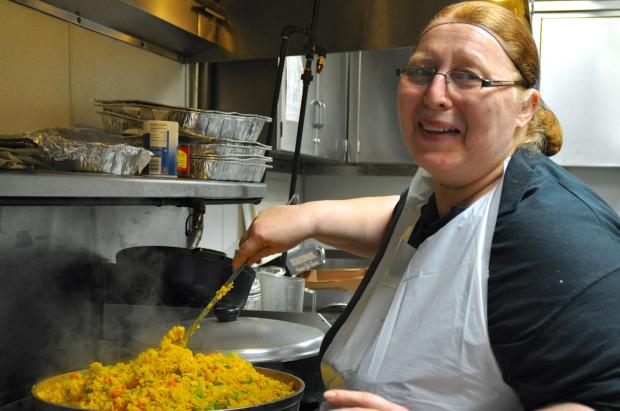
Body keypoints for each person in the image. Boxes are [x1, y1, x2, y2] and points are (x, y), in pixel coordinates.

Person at [232, 1, 620, 410]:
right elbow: (419, 227)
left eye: (468, 77)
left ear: (525, 108)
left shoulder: (559, 236)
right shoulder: (450, 190)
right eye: (421, 70)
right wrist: (308, 216)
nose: (435, 94)